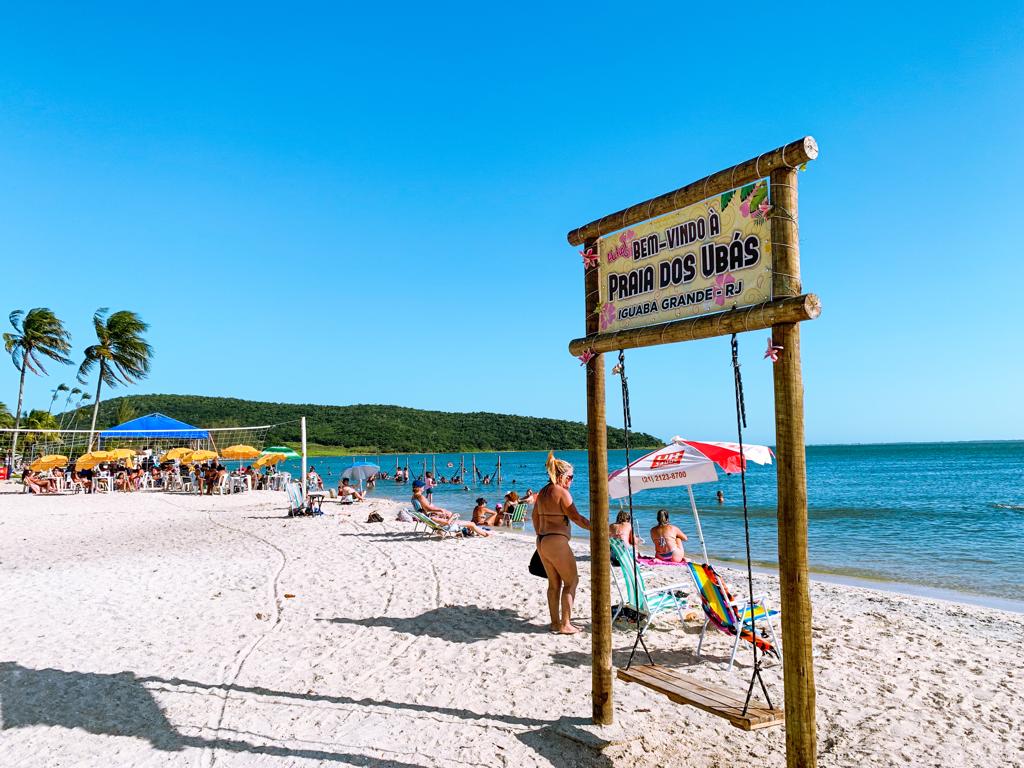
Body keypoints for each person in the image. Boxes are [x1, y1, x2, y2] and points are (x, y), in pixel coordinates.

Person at [533, 451, 591, 634]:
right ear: (561, 476)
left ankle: (555, 623)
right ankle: (565, 624)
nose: (572, 481)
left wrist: (543, 535)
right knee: (572, 581)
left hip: (542, 540)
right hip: (556, 541)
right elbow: (576, 518)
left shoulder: (542, 492)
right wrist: (599, 529)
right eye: (570, 477)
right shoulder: (561, 492)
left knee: (554, 584)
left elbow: (535, 516)